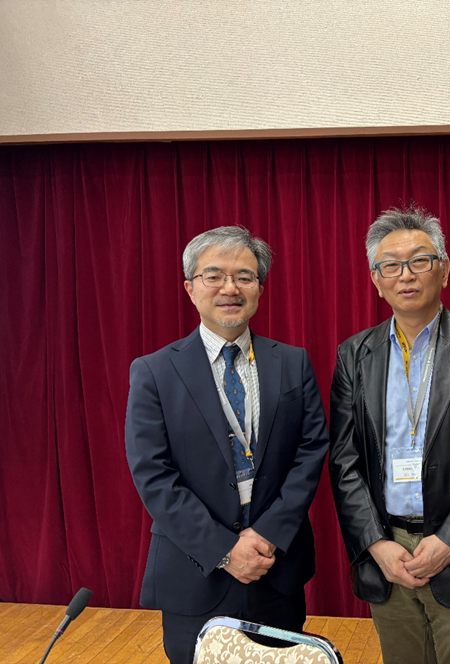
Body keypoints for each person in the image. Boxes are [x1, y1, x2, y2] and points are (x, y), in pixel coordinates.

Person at [125, 226, 329, 664]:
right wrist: (224, 550)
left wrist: (268, 533)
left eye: (244, 276)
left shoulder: (292, 362)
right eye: (214, 276)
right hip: (195, 570)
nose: (230, 288)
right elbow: (153, 473)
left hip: (275, 567)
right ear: (190, 288)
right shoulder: (154, 372)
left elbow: (311, 450)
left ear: (260, 288)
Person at [328, 206, 450, 664]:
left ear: (444, 270)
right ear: (376, 280)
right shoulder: (354, 354)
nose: (406, 275)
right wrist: (376, 544)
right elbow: (344, 460)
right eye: (391, 265)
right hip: (387, 548)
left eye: (419, 261)